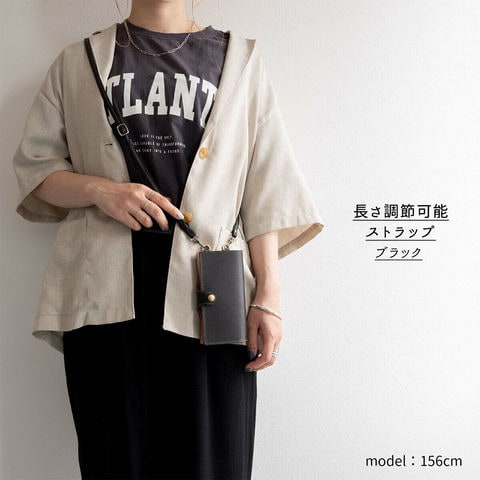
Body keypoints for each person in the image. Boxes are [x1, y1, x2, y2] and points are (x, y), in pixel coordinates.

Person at [12, 0, 324, 478]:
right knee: (116, 460)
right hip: (106, 290)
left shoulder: (240, 60)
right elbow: (36, 172)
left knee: (214, 460)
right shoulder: (77, 62)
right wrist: (101, 190)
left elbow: (266, 188)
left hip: (212, 289)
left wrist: (269, 296)